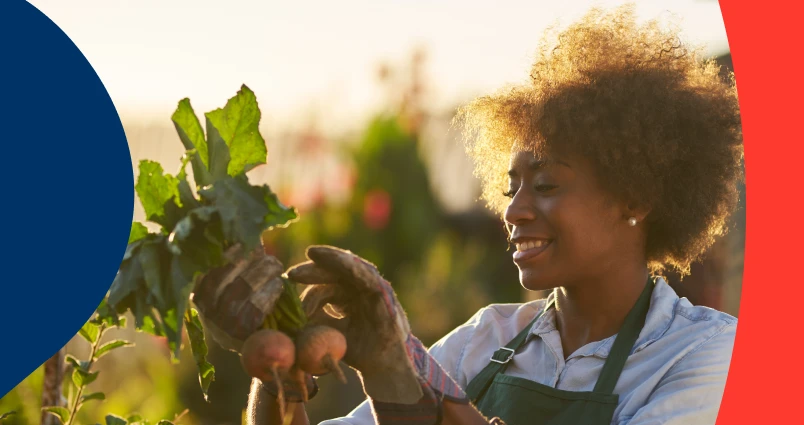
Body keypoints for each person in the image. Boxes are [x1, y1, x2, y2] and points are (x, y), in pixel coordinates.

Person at [192, 5, 743, 425]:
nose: (516, 209)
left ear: (636, 197)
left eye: (547, 185)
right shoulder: (485, 341)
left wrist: (396, 375)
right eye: (511, 187)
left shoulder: (704, 356)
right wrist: (278, 367)